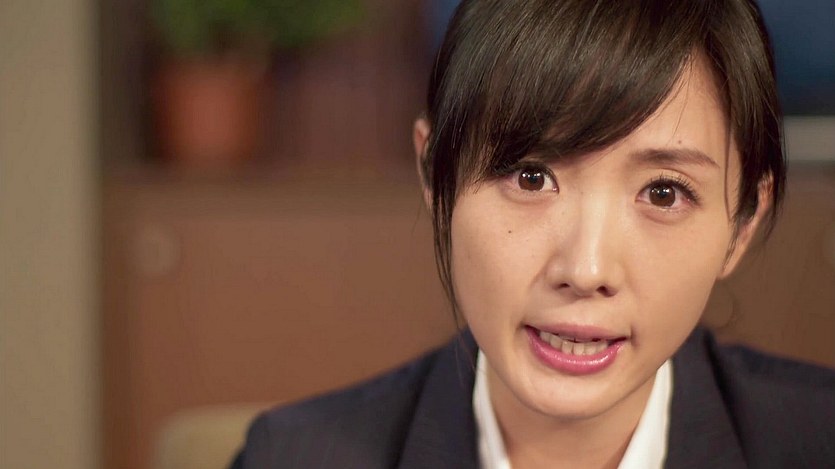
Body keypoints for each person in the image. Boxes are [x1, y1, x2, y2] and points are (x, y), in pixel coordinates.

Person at [231, 1, 835, 467]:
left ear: (741, 224)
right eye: (531, 176)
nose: (587, 269)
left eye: (663, 193)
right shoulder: (293, 457)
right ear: (436, 174)